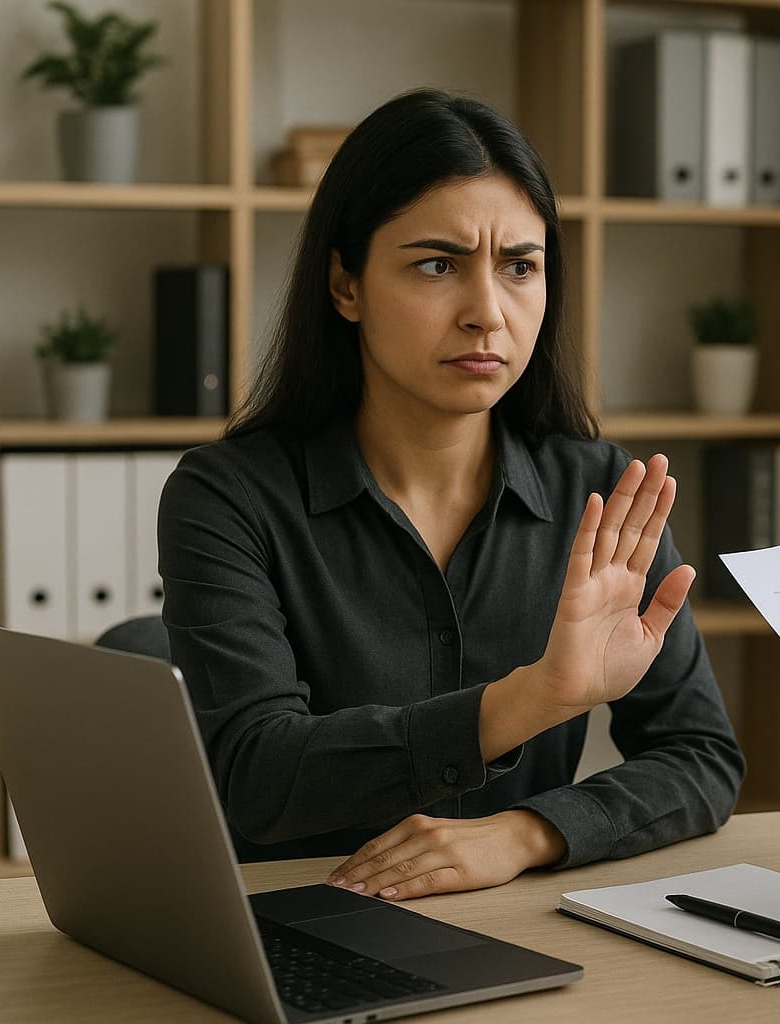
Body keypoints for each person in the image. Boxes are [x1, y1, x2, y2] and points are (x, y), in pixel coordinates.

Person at [158, 89, 744, 900]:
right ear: (346, 285)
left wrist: (527, 833)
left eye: (519, 267)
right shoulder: (228, 498)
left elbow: (700, 758)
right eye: (437, 265)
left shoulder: (602, 490)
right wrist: (528, 701)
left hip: (519, 922)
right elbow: (260, 777)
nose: (487, 313)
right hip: (303, 923)